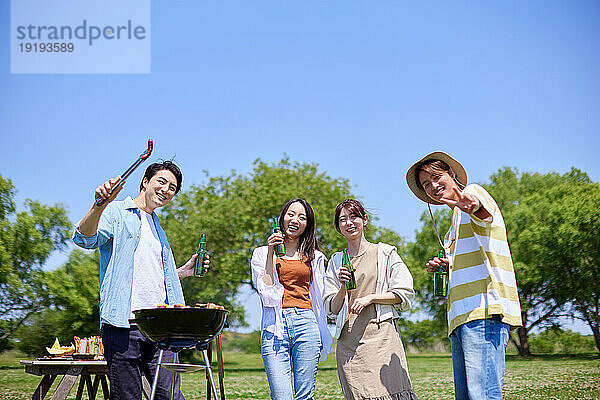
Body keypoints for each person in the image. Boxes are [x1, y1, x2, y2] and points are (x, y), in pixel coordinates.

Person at [73, 161, 208, 400]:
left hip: (160, 326)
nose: (167, 190)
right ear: (145, 182)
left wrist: (183, 271)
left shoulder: (158, 228)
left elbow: (149, 276)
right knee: (127, 396)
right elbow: (84, 239)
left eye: (173, 188)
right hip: (125, 325)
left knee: (170, 395)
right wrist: (98, 206)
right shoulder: (116, 212)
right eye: (162, 182)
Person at [406, 151, 522, 400]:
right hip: (460, 316)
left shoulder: (474, 192)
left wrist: (472, 206)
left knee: (483, 395)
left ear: (452, 174)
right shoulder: (454, 223)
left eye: (437, 177)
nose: (433, 186)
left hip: (482, 310)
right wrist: (447, 264)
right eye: (426, 184)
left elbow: (481, 211)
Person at [323, 199, 419, 400]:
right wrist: (342, 285)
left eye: (354, 217)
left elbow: (404, 292)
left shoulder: (384, 252)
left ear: (365, 219)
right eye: (343, 219)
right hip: (348, 339)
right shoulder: (336, 261)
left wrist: (371, 298)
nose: (349, 223)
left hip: (381, 334)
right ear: (338, 227)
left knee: (389, 391)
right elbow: (331, 308)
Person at [250, 198, 333, 400]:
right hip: (275, 327)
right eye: (291, 214)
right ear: (282, 218)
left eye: (302, 217)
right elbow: (267, 295)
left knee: (305, 396)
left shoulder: (316, 257)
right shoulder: (261, 254)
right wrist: (271, 252)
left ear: (307, 224)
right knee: (281, 395)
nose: (295, 220)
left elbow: (322, 297)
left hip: (306, 323)